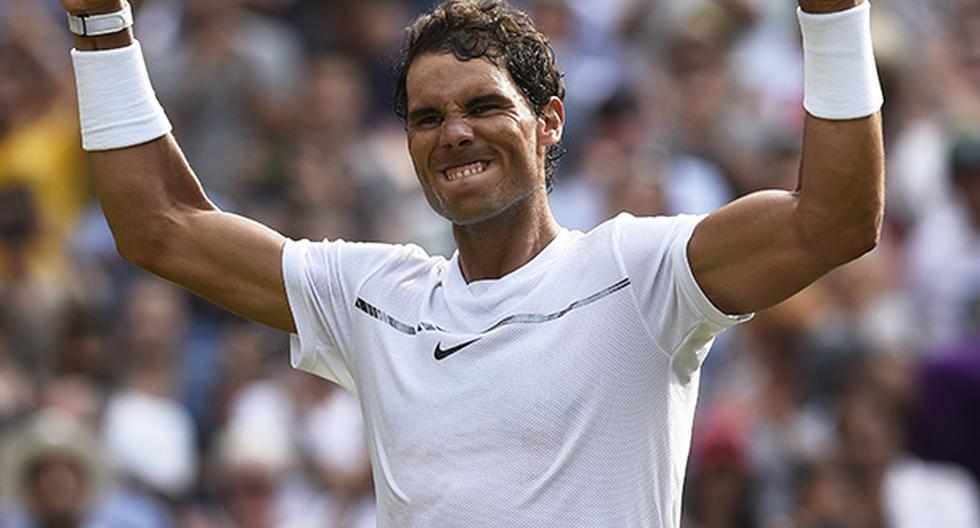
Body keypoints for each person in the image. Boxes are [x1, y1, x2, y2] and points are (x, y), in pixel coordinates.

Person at [57, 0, 883, 525]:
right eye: (427, 117)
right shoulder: (373, 296)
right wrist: (99, 23)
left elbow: (836, 220)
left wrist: (833, 11)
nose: (454, 132)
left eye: (486, 105)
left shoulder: (640, 269)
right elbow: (158, 226)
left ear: (549, 122)